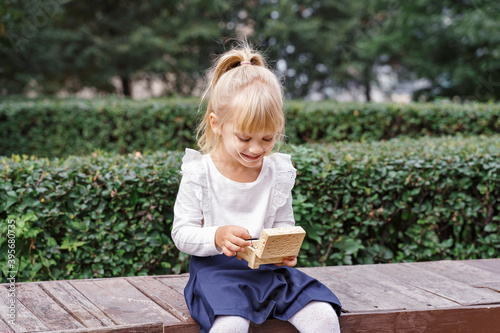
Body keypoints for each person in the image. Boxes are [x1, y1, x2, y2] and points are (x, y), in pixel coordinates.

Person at [172, 41, 341, 333]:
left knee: (324, 317)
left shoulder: (277, 172)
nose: (256, 149)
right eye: (244, 137)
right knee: (232, 325)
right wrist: (218, 236)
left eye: (267, 139)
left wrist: (285, 249)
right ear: (216, 124)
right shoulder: (200, 172)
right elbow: (181, 233)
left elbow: (284, 224)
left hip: (268, 273)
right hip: (218, 276)